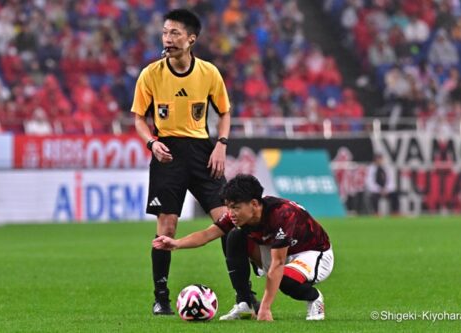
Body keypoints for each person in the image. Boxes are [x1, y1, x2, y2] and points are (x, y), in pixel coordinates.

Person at [131, 9, 233, 315]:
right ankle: (161, 298)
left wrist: (221, 145)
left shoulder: (209, 73)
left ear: (191, 39)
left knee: (229, 222)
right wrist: (152, 142)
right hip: (168, 153)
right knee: (167, 226)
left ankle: (244, 296)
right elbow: (138, 118)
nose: (168, 39)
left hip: (203, 152)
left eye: (175, 33)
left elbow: (225, 112)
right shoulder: (151, 74)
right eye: (165, 32)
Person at [153, 174, 335, 321]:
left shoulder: (282, 214)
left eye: (235, 207)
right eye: (228, 207)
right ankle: (245, 304)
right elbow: (207, 235)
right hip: (276, 250)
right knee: (234, 236)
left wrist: (265, 308)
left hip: (312, 254)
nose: (230, 213)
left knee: (286, 281)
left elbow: (278, 264)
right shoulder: (239, 215)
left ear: (254, 204)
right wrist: (176, 243)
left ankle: (314, 298)